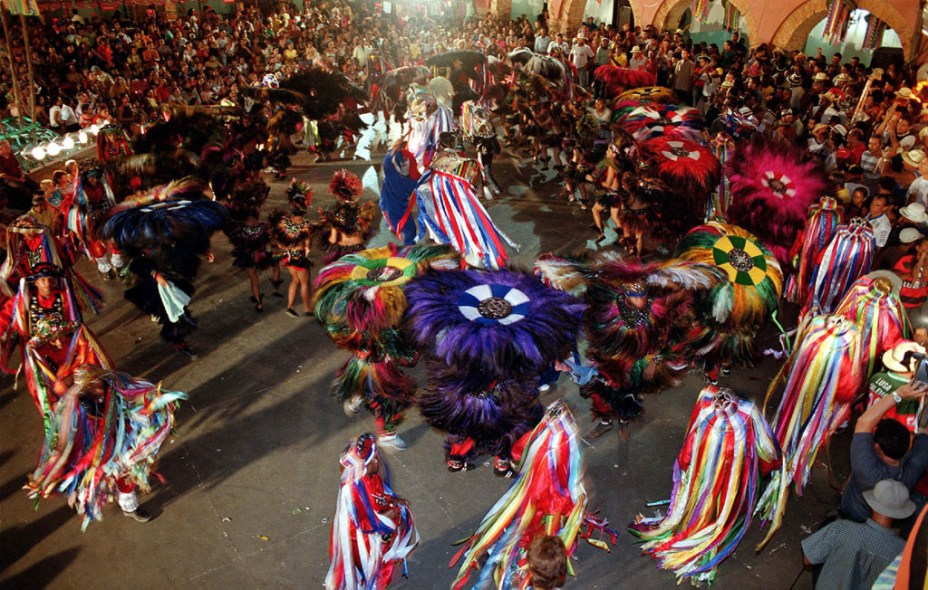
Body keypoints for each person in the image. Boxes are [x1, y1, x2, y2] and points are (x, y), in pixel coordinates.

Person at [841, 364, 928, 523]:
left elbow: (863, 423)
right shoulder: (910, 472)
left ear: (877, 447)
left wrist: (899, 394)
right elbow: (924, 432)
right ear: (907, 447)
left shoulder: (867, 468)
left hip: (852, 518)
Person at [804, 479, 914, 590]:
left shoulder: (841, 528)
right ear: (901, 514)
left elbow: (808, 559)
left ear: (872, 504)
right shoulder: (904, 552)